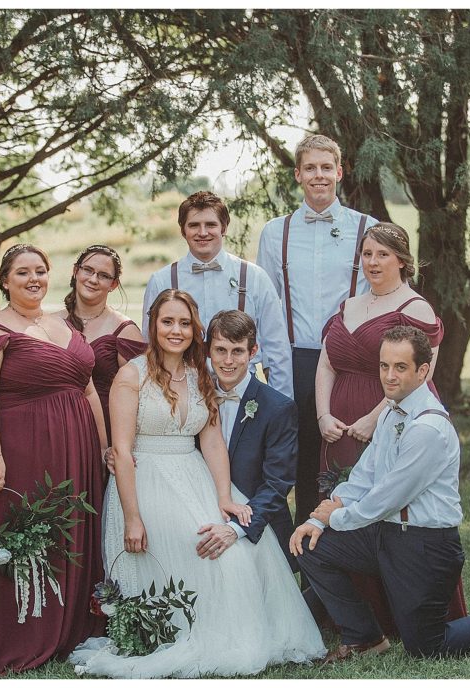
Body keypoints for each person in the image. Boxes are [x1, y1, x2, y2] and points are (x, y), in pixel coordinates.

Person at [70, 290, 324, 678]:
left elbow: (210, 438)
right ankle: (182, 631)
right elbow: (121, 452)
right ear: (153, 325)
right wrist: (133, 517)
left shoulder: (198, 374)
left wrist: (225, 497)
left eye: (185, 323)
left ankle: (235, 634)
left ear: (195, 330)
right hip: (146, 482)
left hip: (195, 476)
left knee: (234, 549)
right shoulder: (131, 374)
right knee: (198, 547)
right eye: (167, 321)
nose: (176, 330)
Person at [291, 326, 470, 661]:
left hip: (425, 545)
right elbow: (366, 476)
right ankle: (365, 638)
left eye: (400, 367)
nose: (389, 376)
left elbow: (387, 498)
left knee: (427, 646)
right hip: (385, 533)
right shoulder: (393, 413)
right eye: (384, 366)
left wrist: (335, 516)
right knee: (311, 547)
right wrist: (321, 521)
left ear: (422, 371)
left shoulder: (427, 428)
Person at [0, 244, 108, 675]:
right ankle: (18, 632)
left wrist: (104, 445)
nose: (33, 278)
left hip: (77, 449)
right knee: (25, 532)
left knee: (73, 536)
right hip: (21, 448)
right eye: (22, 272)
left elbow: (89, 389)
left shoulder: (61, 323)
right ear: (5, 280)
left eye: (40, 270)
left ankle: (72, 625)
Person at [315, 222, 467, 633]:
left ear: (402, 260)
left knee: (389, 496)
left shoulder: (414, 307)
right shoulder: (348, 305)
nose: (373, 261)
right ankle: (353, 616)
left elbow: (421, 369)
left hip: (386, 412)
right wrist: (323, 414)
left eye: (382, 254)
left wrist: (375, 416)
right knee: (350, 488)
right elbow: (327, 360)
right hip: (341, 420)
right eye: (367, 253)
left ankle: (399, 614)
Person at [256, 134, 377, 530]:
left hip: (351, 360)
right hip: (294, 361)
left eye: (327, 167)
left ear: (339, 173)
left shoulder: (367, 228)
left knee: (348, 461)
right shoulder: (275, 233)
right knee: (303, 465)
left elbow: (376, 296)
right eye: (310, 168)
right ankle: (309, 575)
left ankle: (350, 558)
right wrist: (270, 369)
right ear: (298, 175)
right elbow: (267, 304)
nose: (319, 175)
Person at [143, 191, 293, 399]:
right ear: (182, 230)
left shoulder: (254, 277)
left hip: (242, 394)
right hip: (181, 394)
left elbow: (278, 349)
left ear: (224, 228)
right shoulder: (162, 280)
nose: (202, 232)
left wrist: (280, 407)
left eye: (211, 225)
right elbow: (150, 346)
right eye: (194, 225)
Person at [198, 309, 297, 564]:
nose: (228, 361)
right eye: (220, 350)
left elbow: (277, 484)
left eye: (238, 351)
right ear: (208, 350)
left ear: (253, 352)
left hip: (255, 524)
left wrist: (236, 529)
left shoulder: (278, 408)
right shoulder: (195, 397)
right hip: (200, 513)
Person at [62, 244, 146, 440]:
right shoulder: (51, 322)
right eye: (88, 270)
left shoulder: (126, 331)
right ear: (76, 271)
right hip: (61, 426)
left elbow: (140, 397)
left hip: (107, 432)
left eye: (103, 275)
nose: (93, 279)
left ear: (114, 284)